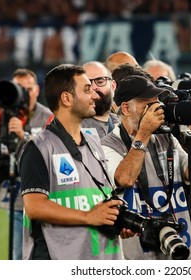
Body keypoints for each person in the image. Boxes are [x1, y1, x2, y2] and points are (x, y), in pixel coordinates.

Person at [18, 64, 133, 260]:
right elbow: (34, 206)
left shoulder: (94, 143)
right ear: (67, 98)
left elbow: (98, 198)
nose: (95, 96)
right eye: (87, 90)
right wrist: (89, 217)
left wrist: (115, 219)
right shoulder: (38, 148)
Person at [101, 75, 191, 260]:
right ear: (126, 108)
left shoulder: (166, 138)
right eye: (148, 105)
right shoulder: (108, 145)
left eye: (157, 104)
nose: (157, 110)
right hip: (139, 255)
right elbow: (125, 179)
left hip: (179, 244)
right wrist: (144, 133)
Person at [0, 68, 52, 260]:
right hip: (14, 195)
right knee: (18, 254)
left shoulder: (48, 116)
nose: (24, 94)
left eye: (28, 89)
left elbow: (51, 151)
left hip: (42, 193)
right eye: (18, 89)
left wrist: (24, 136)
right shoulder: (5, 115)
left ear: (37, 90)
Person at [80, 61, 119, 139]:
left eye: (100, 81)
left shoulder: (123, 125)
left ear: (113, 86)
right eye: (88, 83)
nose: (94, 87)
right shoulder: (71, 127)